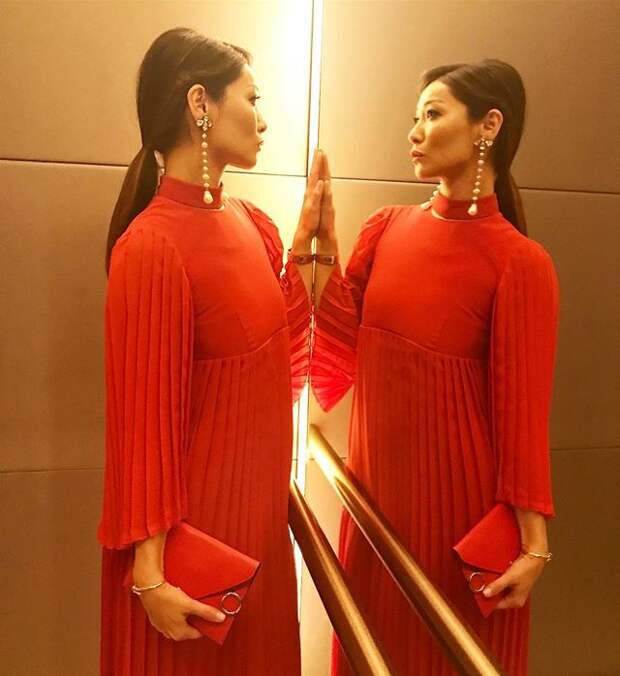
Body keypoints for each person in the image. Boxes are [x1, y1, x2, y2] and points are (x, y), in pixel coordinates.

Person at [306, 59, 559, 675]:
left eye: (432, 114)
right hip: (375, 507)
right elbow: (329, 364)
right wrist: (319, 250)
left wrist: (534, 544)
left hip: (461, 522)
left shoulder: (520, 261)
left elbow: (522, 413)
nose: (414, 133)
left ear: (488, 125)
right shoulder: (384, 229)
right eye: (415, 117)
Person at [98, 27, 324, 676]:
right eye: (252, 98)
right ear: (201, 103)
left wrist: (310, 255)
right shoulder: (152, 246)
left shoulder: (255, 225)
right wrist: (149, 576)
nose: (263, 119)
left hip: (259, 531)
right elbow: (144, 424)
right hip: (189, 560)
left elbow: (284, 366)